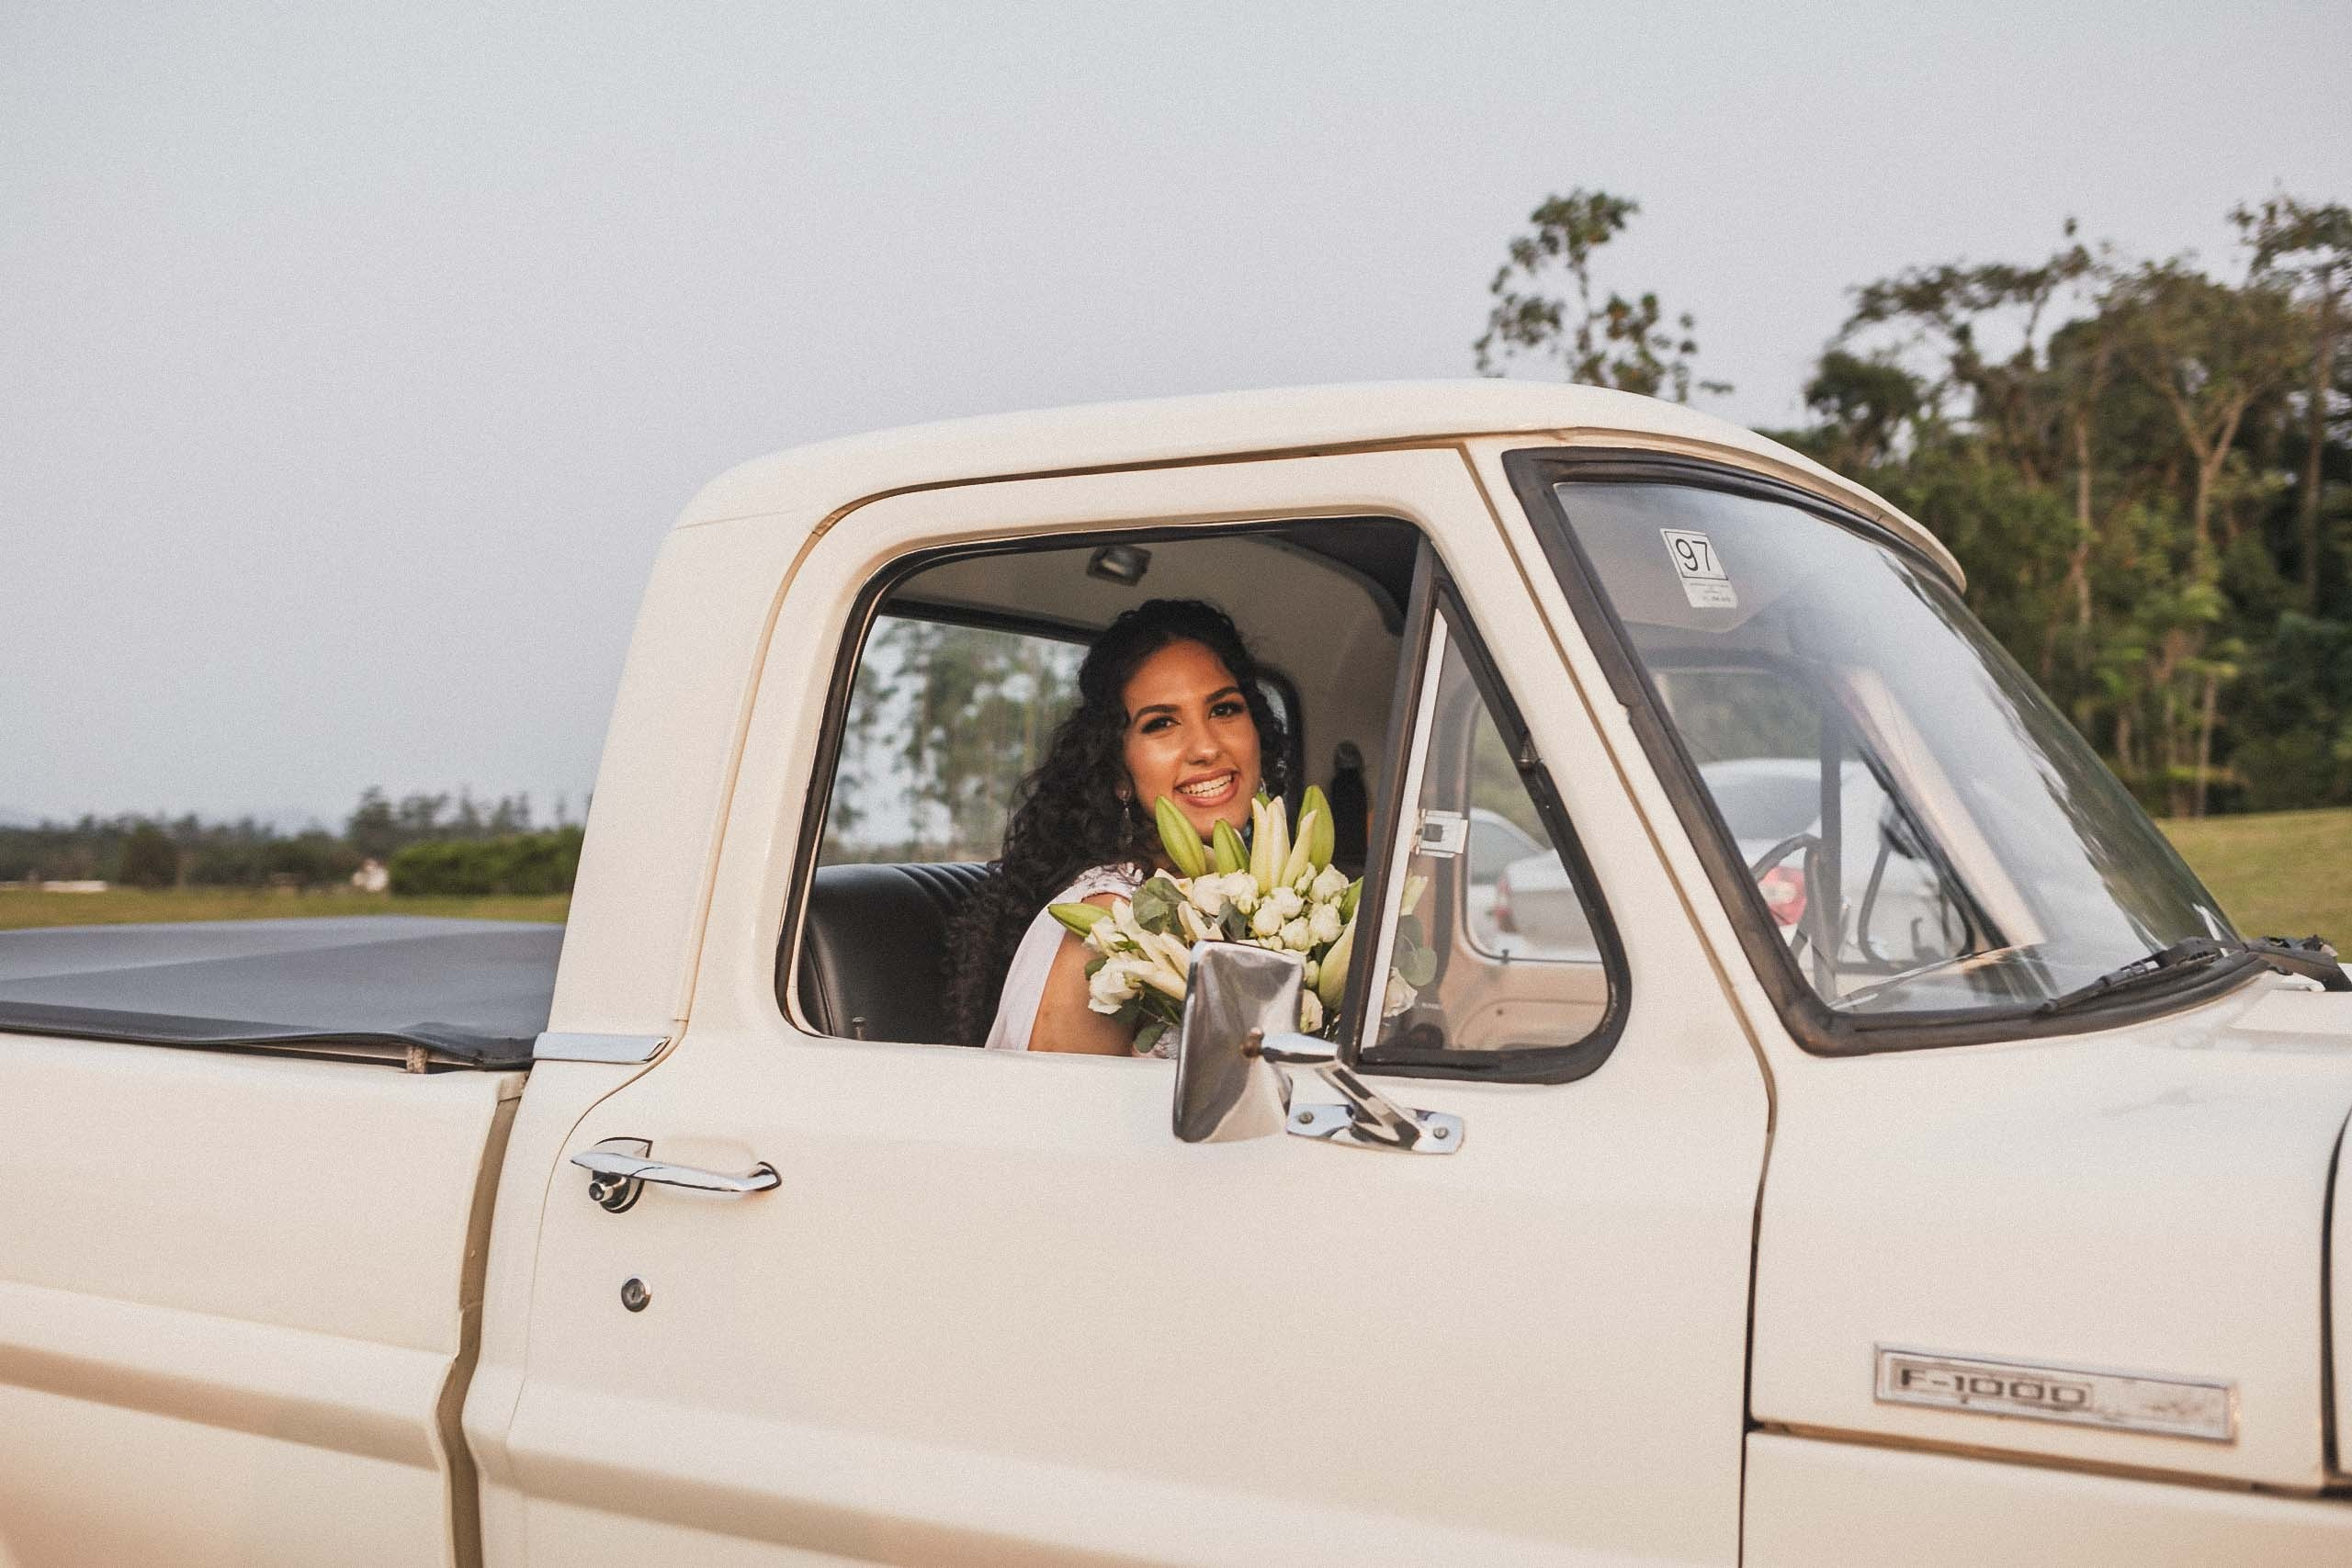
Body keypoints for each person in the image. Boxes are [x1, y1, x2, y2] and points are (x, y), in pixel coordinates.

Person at [946, 598, 1290, 1053]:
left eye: (1224, 710)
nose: (1206, 747)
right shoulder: (1110, 923)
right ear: (1119, 775)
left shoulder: (1262, 899)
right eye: (1161, 723)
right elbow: (1046, 1119)